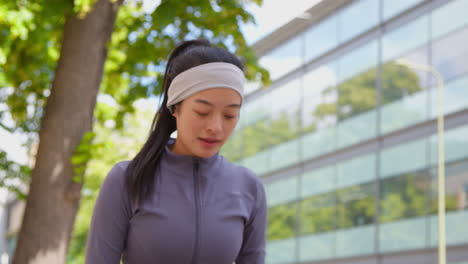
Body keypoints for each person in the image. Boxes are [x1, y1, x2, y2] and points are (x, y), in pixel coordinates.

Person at [85, 39, 267, 264]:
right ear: (175, 107)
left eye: (229, 115)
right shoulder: (126, 179)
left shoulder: (249, 187)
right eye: (202, 112)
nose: (216, 127)